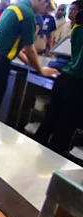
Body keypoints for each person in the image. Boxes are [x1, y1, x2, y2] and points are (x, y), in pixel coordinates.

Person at [0, 0, 60, 118]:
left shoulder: (14, 8)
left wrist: (31, 64)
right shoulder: (28, 14)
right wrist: (41, 70)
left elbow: (14, 47)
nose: (43, 10)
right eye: (45, 5)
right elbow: (29, 48)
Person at [35, 0, 83, 154]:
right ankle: (52, 165)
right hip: (79, 83)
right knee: (65, 127)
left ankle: (34, 152)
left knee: (50, 119)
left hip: (66, 77)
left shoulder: (77, 26)